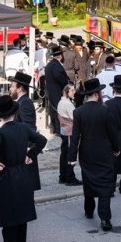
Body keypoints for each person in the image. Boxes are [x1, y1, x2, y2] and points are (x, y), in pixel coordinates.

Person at [0, 95, 48, 242]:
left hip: (7, 176)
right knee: (22, 215)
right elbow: (42, 140)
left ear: (0, 115)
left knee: (8, 217)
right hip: (23, 174)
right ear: (15, 113)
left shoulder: (0, 131)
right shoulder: (23, 128)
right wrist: (30, 155)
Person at [68, 78, 119, 232]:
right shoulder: (105, 110)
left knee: (88, 180)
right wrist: (116, 149)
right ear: (97, 94)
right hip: (104, 151)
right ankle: (104, 218)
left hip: (87, 152)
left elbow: (75, 137)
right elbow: (112, 133)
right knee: (105, 183)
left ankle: (89, 211)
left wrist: (72, 157)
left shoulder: (78, 112)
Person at [45, 46, 77, 185]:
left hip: (55, 103)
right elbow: (63, 81)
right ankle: (67, 176)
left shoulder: (49, 65)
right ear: (60, 56)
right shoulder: (56, 67)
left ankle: (63, 175)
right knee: (68, 147)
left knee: (65, 147)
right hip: (64, 115)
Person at [56, 84, 81, 185]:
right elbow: (75, 118)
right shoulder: (67, 104)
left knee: (64, 154)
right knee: (70, 154)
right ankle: (70, 178)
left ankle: (63, 176)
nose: (74, 92)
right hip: (69, 131)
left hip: (64, 131)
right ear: (67, 92)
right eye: (72, 90)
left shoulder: (61, 102)